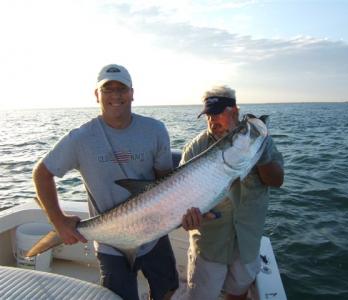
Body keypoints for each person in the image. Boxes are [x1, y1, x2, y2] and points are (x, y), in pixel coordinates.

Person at [32, 64, 179, 300]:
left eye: (121, 88)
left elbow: (166, 181)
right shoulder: (80, 138)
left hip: (154, 236)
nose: (115, 95)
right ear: (96, 95)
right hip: (112, 243)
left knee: (167, 290)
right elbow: (42, 173)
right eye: (107, 89)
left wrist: (184, 211)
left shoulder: (155, 130)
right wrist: (59, 222)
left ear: (132, 93)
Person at [180, 85, 284, 300]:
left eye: (217, 113)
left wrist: (261, 155)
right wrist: (187, 218)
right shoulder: (195, 148)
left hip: (247, 241)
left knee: (237, 294)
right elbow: (181, 197)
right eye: (208, 115)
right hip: (210, 243)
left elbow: (277, 180)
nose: (212, 121)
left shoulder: (258, 139)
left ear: (234, 111)